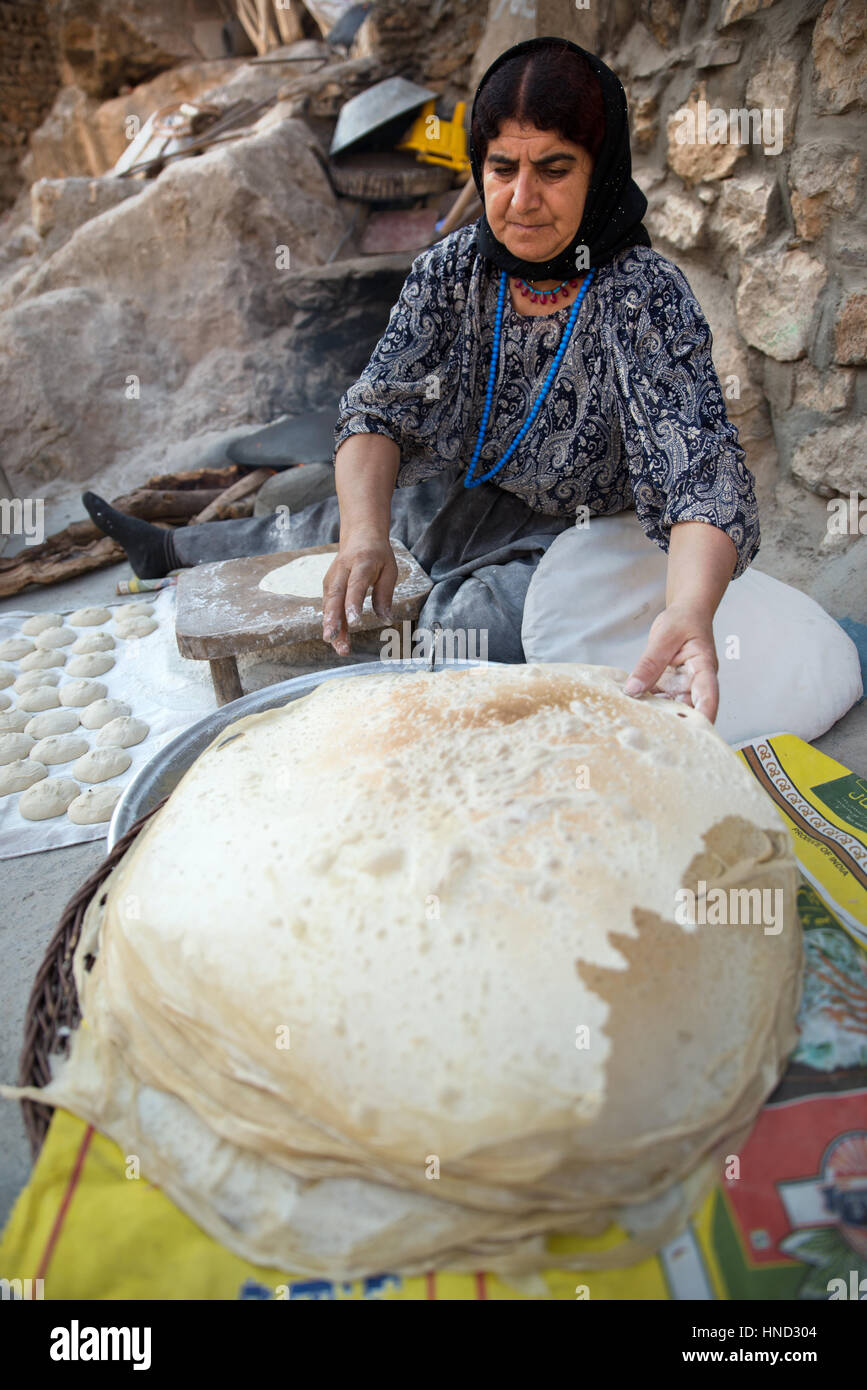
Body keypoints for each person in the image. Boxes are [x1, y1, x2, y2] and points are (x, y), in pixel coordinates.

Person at [83, 36, 759, 724]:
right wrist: (365, 537)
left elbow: (699, 469)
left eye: (554, 169)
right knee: (329, 519)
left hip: (580, 531)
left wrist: (687, 609)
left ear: (601, 170)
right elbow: (377, 411)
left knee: (462, 629)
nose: (521, 199)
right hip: (472, 491)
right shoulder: (453, 269)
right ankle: (169, 549)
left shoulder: (642, 294)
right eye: (501, 168)